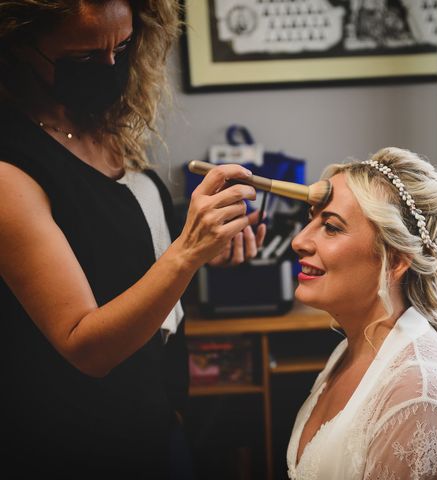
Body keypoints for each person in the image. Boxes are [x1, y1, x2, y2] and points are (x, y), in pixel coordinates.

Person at [0, 0, 265, 478]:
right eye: (83, 57)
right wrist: (186, 253)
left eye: (121, 49)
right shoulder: (9, 170)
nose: (109, 68)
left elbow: (126, 259)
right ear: (18, 43)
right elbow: (85, 345)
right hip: (77, 444)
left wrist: (205, 250)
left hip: (157, 415)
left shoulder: (96, 121)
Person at [287, 147, 437, 479]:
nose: (299, 241)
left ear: (396, 261)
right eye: (311, 220)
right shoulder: (353, 348)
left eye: (331, 227)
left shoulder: (419, 401)